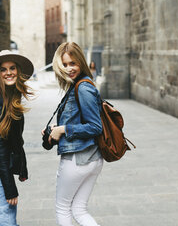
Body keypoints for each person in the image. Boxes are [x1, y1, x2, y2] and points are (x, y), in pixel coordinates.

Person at [43, 42, 103, 226]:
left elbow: (95, 127)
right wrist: (57, 127)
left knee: (63, 208)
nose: (69, 69)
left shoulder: (83, 88)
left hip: (78, 159)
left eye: (73, 64)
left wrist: (64, 129)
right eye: (65, 64)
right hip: (92, 158)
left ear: (81, 63)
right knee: (79, 209)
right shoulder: (78, 85)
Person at [0, 50, 34, 226]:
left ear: (18, 71)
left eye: (12, 68)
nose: (8, 72)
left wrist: (22, 168)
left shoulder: (11, 98)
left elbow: (16, 141)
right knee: (6, 221)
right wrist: (10, 188)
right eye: (3, 69)